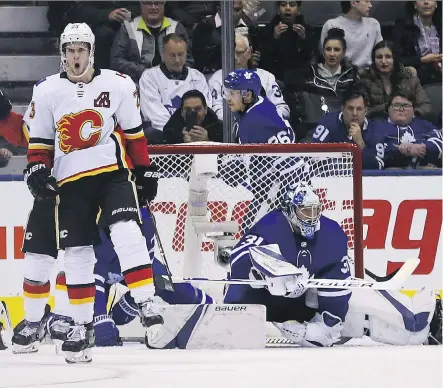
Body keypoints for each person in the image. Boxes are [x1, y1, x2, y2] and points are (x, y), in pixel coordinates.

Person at [19, 22, 162, 364]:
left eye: (81, 49)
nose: (76, 56)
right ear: (63, 54)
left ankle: (147, 301)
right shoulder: (47, 90)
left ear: (91, 51)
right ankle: (82, 327)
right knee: (78, 254)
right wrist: (37, 170)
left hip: (112, 174)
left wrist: (144, 169)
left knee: (127, 230)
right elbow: (38, 145)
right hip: (70, 184)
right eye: (70, 50)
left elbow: (134, 134)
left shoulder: (118, 84)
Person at [285, 27, 358, 141]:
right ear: (323, 51)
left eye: (336, 50)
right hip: (312, 132)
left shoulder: (352, 77)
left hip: (343, 131)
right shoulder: (307, 75)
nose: (332, 54)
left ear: (343, 52)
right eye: (328, 49)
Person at [209, 33, 290, 121]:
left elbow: (282, 108)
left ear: (249, 52)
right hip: (231, 130)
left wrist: (266, 119)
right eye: (231, 53)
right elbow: (216, 110)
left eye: (239, 53)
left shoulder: (267, 77)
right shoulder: (217, 78)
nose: (235, 57)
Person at [311, 89, 385, 169]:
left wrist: (360, 143)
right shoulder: (328, 123)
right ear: (343, 109)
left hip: (365, 179)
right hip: (332, 177)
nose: (354, 113)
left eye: (359, 109)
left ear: (366, 111)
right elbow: (313, 156)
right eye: (350, 108)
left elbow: (379, 166)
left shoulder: (376, 130)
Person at [359, 40, 431, 120]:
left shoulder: (409, 78)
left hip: (408, 124)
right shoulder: (365, 80)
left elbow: (425, 106)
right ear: (374, 60)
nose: (383, 61)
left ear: (395, 59)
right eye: (379, 57)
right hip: (378, 126)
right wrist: (388, 108)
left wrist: (410, 116)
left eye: (388, 57)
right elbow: (364, 111)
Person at [223, 68, 294, 144]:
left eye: (232, 93)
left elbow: (246, 155)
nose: (228, 99)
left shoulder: (250, 126)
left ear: (248, 95)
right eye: (227, 92)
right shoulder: (263, 102)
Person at [372, 92, 441, 168]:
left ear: (413, 110)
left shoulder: (424, 125)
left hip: (424, 170)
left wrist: (422, 147)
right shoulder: (377, 126)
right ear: (388, 109)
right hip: (391, 173)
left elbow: (439, 142)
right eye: (396, 105)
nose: (401, 109)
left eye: (406, 105)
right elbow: (374, 151)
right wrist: (402, 150)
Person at [320, 0, 382, 69]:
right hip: (342, 74)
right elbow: (325, 55)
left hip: (369, 74)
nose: (370, 5)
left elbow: (381, 52)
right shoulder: (332, 25)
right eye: (366, 1)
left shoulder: (373, 24)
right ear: (354, 3)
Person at [393, 0, 442, 86]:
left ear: (436, 3)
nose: (426, 2)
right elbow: (397, 59)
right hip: (415, 74)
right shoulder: (403, 26)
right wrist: (421, 60)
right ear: (415, 5)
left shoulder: (440, 26)